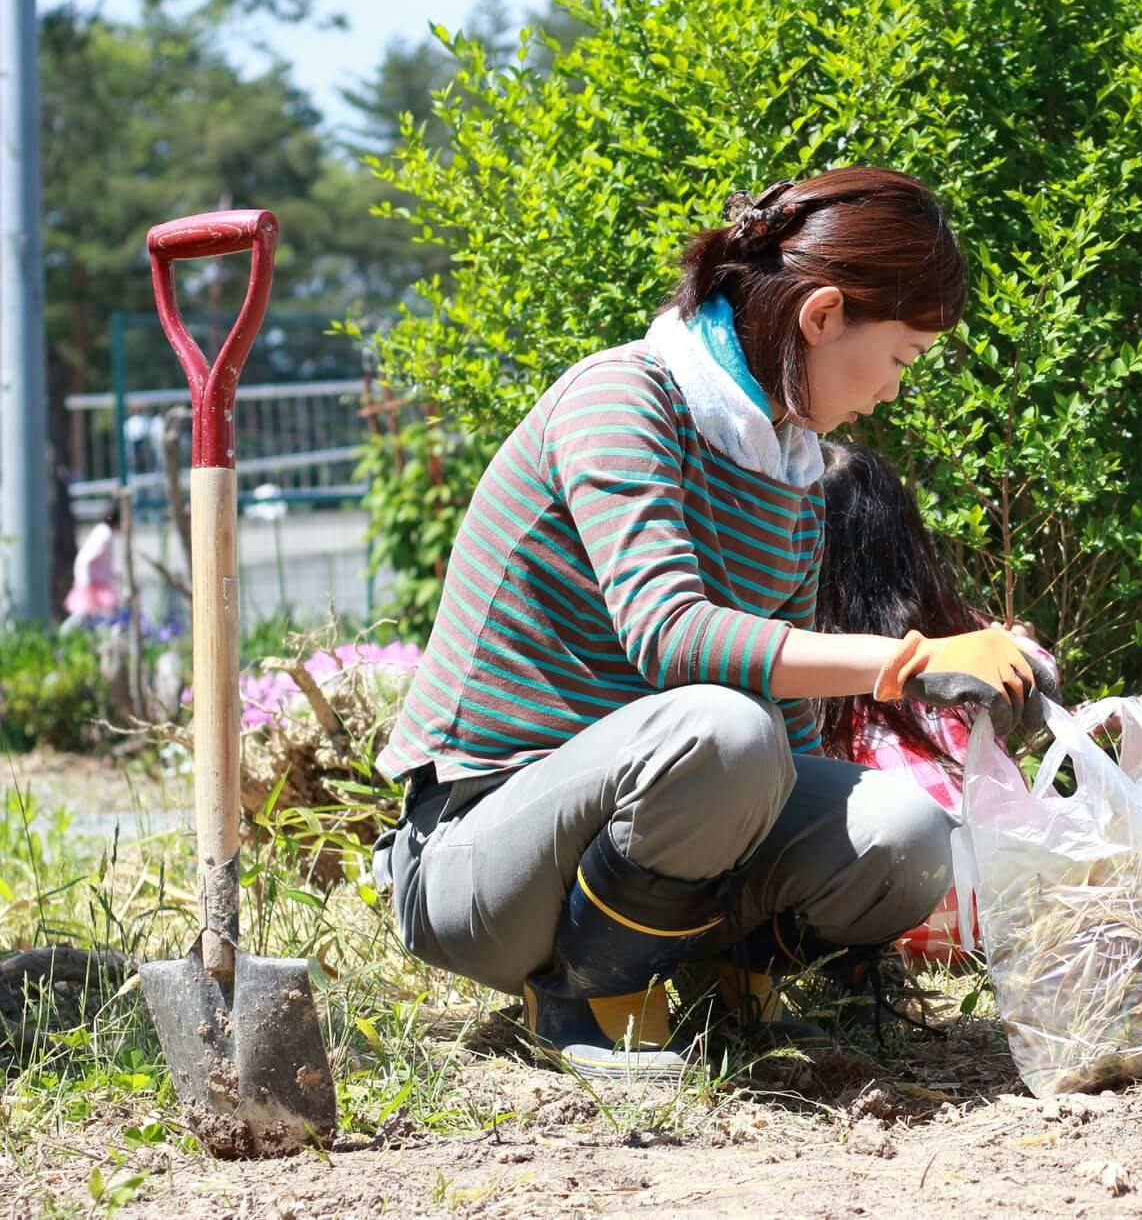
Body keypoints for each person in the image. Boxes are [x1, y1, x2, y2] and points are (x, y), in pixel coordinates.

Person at [374, 168, 1054, 1080]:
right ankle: (589, 1000)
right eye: (899, 359)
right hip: (477, 858)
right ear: (820, 316)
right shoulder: (621, 401)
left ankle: (733, 991)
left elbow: (796, 732)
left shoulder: (790, 464)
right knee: (725, 729)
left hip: (654, 819)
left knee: (906, 835)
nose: (894, 391)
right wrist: (912, 660)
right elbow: (674, 636)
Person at [814, 439, 1057, 966]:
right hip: (1015, 892)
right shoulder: (948, 631)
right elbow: (1038, 666)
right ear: (906, 540)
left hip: (905, 916)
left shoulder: (806, 663)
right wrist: (1017, 641)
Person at [61, 505, 123, 630]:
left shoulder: (102, 532)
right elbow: (86, 559)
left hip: (96, 581)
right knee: (83, 614)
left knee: (94, 616)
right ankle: (64, 633)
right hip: (93, 583)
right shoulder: (104, 534)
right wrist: (85, 582)